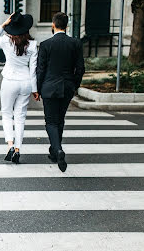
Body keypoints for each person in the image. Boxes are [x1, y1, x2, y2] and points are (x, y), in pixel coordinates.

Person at [36, 12, 85, 172]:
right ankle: (54, 150)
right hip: (67, 87)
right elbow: (80, 68)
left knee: (50, 121)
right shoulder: (75, 43)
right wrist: (74, 85)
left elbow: (41, 69)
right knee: (60, 120)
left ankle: (57, 150)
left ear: (53, 24)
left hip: (49, 87)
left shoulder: (45, 44)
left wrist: (37, 88)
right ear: (67, 25)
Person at [0, 12, 39, 165]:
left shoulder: (6, 41)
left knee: (6, 114)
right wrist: (35, 89)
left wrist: (3, 24)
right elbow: (33, 69)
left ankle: (10, 145)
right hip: (25, 81)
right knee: (20, 117)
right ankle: (18, 149)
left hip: (10, 80)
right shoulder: (32, 44)